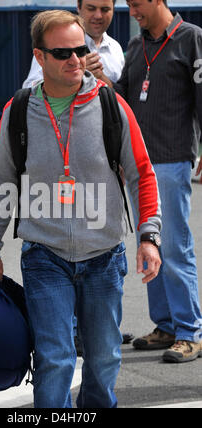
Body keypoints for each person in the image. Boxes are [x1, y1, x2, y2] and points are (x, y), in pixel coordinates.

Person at [0, 9, 161, 408]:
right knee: (56, 358)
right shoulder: (19, 112)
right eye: (63, 53)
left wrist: (149, 236)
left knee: (104, 359)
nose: (76, 59)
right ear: (39, 57)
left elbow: (142, 175)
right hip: (45, 256)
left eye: (80, 50)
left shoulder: (113, 106)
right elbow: (1, 183)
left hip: (105, 257)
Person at [114, 0, 202, 363]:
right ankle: (166, 325)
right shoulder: (137, 45)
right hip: (139, 165)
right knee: (149, 244)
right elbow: (122, 98)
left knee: (174, 246)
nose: (132, 12)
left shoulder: (191, 38)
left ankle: (190, 332)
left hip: (171, 158)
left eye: (137, 4)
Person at [22, 0, 125, 88]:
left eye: (105, 9)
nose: (98, 15)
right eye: (91, 8)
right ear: (78, 7)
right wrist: (75, 73)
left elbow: (122, 94)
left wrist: (102, 78)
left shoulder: (115, 48)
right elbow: (31, 88)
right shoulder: (55, 43)